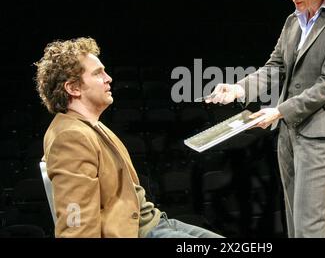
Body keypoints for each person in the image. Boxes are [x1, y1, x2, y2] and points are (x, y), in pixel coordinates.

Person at [206, 0, 325, 238]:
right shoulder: (294, 21)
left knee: (309, 221)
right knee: (294, 219)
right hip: (290, 129)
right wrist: (239, 88)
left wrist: (279, 110)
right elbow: (275, 67)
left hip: (322, 129)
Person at [35, 37, 223, 238]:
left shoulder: (89, 126)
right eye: (98, 74)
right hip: (138, 232)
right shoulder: (70, 137)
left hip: (155, 221)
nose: (108, 78)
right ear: (73, 88)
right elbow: (75, 223)